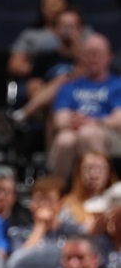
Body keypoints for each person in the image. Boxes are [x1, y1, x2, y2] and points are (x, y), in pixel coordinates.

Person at [48, 31, 121, 181]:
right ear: (82, 57)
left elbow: (118, 119)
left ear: (109, 57)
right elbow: (59, 120)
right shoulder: (69, 86)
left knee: (88, 134)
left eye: (98, 54)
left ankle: (99, 189)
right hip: (75, 130)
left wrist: (92, 122)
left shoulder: (117, 85)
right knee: (64, 140)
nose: (93, 58)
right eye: (89, 54)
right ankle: (59, 188)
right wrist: (76, 121)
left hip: (111, 135)